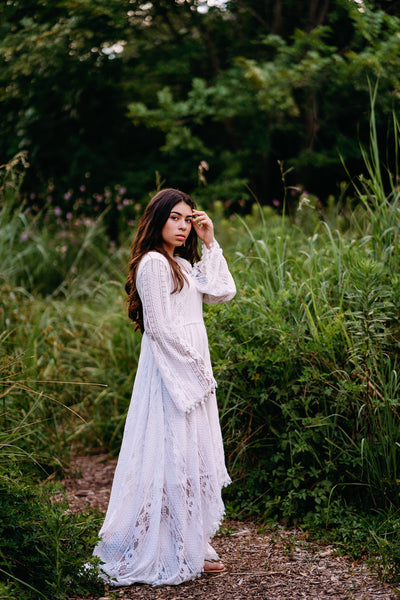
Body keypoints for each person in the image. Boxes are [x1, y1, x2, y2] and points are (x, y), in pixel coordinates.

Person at [93, 188, 236, 586]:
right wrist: (195, 371)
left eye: (187, 219)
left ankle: (189, 540)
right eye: (174, 217)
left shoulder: (185, 266)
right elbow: (158, 327)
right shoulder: (153, 263)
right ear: (157, 219)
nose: (182, 226)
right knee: (170, 452)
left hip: (192, 371)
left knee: (190, 454)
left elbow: (224, 291)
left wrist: (210, 242)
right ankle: (168, 545)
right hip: (173, 373)